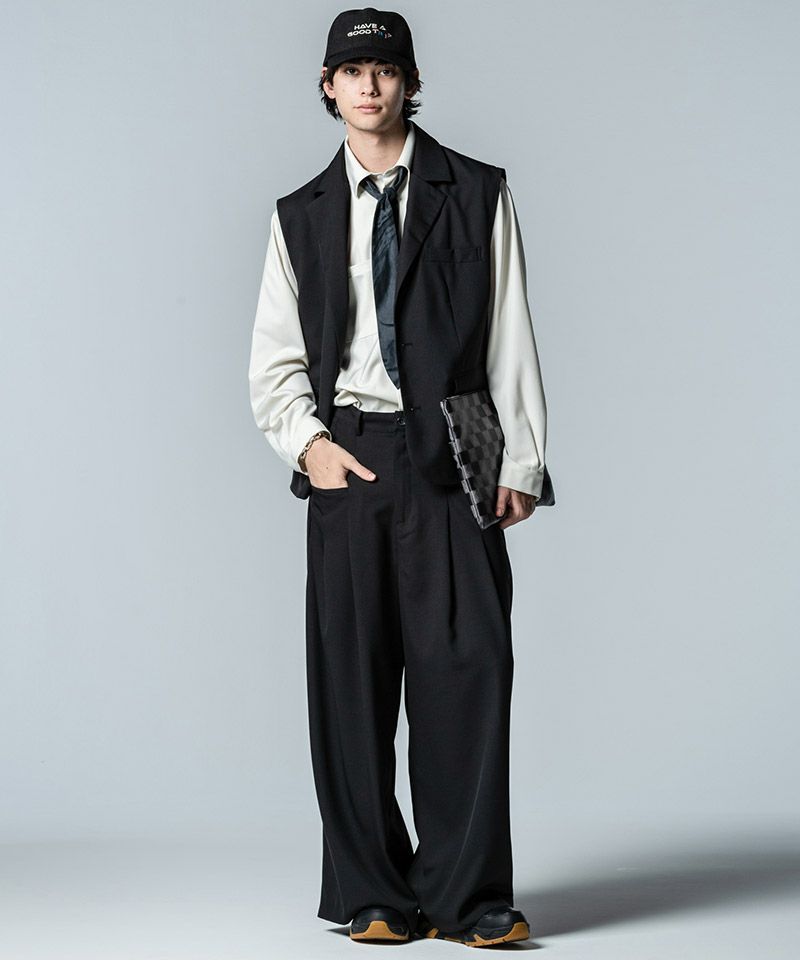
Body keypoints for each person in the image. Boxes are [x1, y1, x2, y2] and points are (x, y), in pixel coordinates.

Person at [248, 6, 553, 948]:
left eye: (386, 69)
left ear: (411, 84)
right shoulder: (300, 213)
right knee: (351, 676)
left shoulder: (477, 190)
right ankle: (372, 891)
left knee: (470, 669)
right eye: (352, 71)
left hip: (458, 443)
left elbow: (509, 333)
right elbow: (274, 357)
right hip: (350, 450)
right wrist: (308, 445)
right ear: (328, 87)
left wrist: (519, 459)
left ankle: (470, 897)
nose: (370, 85)